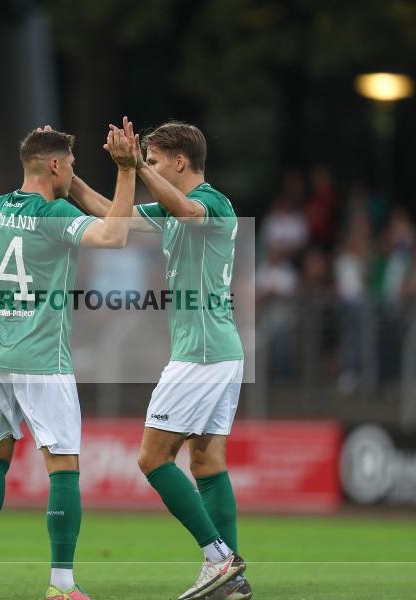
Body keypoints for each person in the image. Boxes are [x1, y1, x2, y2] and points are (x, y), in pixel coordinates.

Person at [70, 118, 250, 600]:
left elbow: (188, 211)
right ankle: (231, 581)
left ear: (179, 162)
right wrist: (72, 184)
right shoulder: (176, 209)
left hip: (204, 353)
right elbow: (115, 216)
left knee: (152, 458)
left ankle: (219, 558)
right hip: (217, 350)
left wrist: (135, 168)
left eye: (153, 161)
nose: (147, 168)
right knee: (207, 461)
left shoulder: (212, 202)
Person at [0, 124, 138, 600]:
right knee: (63, 467)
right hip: (40, 358)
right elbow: (115, 233)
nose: (74, 172)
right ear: (57, 166)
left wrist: (57, 165)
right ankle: (61, 584)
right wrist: (125, 170)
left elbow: (46, 179)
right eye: (71, 165)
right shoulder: (55, 214)